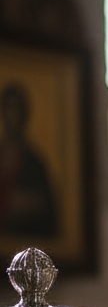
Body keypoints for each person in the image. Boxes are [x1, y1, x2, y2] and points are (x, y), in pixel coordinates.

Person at [0, 81, 59, 238]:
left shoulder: (34, 162)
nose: (12, 115)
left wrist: (29, 204)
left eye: (16, 109)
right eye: (8, 108)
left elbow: (49, 210)